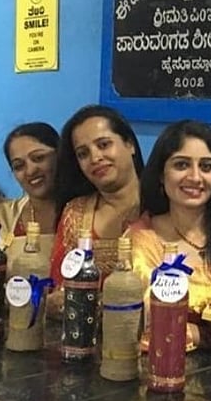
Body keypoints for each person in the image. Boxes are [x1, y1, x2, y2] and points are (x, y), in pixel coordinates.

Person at [126, 120, 211, 350]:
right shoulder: (141, 239)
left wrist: (200, 335)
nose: (195, 177)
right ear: (160, 174)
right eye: (181, 165)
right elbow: (146, 323)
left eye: (206, 167)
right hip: (161, 363)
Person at [49, 105, 144, 295]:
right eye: (83, 154)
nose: (95, 158)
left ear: (130, 144)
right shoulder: (75, 213)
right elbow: (58, 289)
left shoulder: (164, 204)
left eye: (103, 145)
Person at [0, 121, 59, 261]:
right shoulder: (3, 216)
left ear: (61, 155)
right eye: (19, 166)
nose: (30, 171)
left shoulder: (83, 212)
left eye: (38, 158)